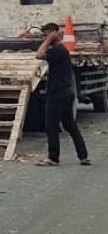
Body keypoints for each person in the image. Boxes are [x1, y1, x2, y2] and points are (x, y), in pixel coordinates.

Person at [35, 22, 90, 166]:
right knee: (70, 125)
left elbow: (39, 55)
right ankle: (83, 156)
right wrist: (48, 40)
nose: (44, 38)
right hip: (66, 92)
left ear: (54, 33)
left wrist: (48, 40)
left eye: (46, 35)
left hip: (57, 93)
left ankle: (53, 158)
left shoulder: (58, 50)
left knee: (51, 125)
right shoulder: (60, 50)